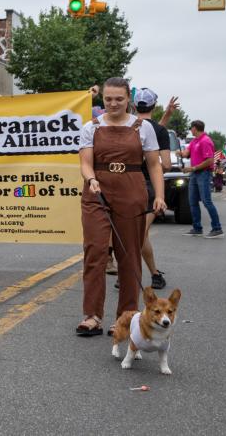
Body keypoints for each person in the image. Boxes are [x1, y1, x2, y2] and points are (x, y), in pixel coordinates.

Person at [76, 77, 166, 337]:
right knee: (95, 250)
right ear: (102, 99)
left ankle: (125, 317)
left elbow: (154, 165)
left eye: (119, 99)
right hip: (97, 191)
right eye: (108, 99)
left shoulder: (143, 127)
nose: (113, 103)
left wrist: (159, 195)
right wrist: (91, 178)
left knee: (129, 254)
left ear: (128, 99)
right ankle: (92, 315)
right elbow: (85, 162)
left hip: (132, 190)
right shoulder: (91, 127)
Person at [130, 88, 169, 289]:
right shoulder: (159, 131)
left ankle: (146, 274)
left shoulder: (129, 125)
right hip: (149, 186)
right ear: (154, 106)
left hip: (128, 183)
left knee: (136, 233)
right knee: (139, 233)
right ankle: (148, 274)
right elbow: (167, 164)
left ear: (134, 105)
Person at [181, 120, 223, 238]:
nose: (190, 130)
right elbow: (186, 153)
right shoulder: (195, 141)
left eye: (191, 128)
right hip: (195, 174)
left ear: (195, 128)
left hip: (203, 173)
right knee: (192, 201)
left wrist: (193, 168)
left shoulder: (205, 141)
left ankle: (217, 228)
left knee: (206, 201)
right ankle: (197, 228)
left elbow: (210, 160)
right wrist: (181, 153)